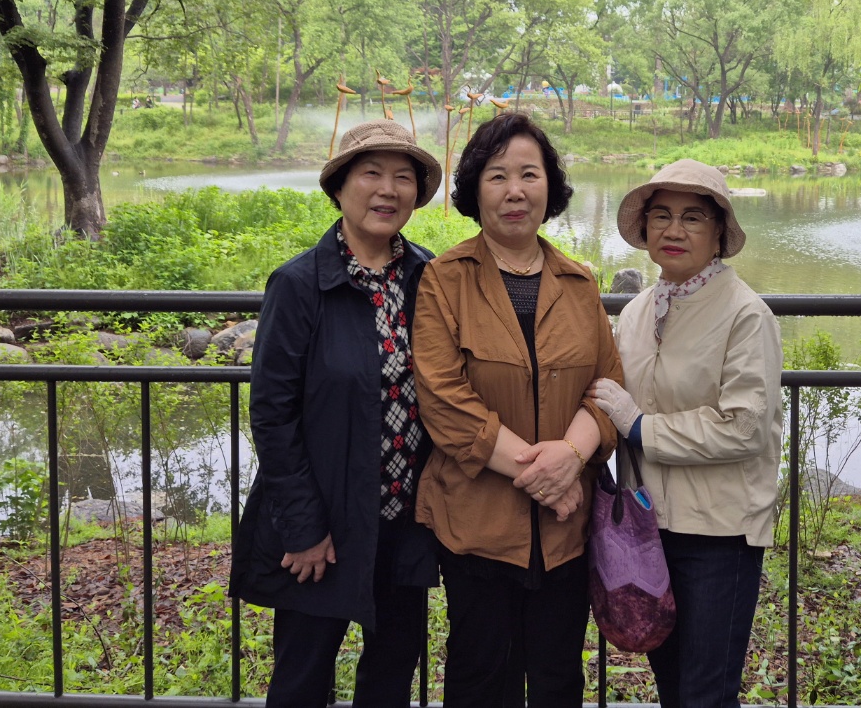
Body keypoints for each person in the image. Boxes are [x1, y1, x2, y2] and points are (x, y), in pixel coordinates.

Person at [411, 113, 623, 707]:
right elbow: (444, 401)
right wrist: (549, 477)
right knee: (482, 676)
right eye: (498, 175)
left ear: (549, 188)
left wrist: (572, 455)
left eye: (529, 174)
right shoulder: (444, 279)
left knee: (558, 678)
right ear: (475, 190)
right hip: (477, 525)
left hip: (566, 532)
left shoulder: (578, 283)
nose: (515, 191)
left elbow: (607, 385)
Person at [229, 120, 443, 708]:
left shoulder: (428, 276)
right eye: (371, 173)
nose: (388, 190)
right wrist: (303, 527)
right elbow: (272, 414)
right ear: (340, 187)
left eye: (403, 177)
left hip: (404, 524)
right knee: (302, 678)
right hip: (325, 524)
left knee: (392, 675)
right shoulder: (300, 284)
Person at [587, 159, 782, 708]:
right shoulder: (636, 312)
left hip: (719, 532)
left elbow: (743, 427)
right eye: (662, 216)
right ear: (646, 227)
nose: (674, 230)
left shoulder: (746, 315)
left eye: (692, 217)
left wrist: (640, 427)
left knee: (706, 692)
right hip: (649, 527)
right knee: (671, 684)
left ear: (719, 231)